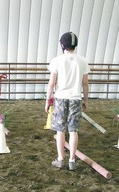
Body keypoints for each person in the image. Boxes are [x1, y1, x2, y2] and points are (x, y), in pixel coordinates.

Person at [45, 32, 89, 171]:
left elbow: (52, 84)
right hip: (76, 99)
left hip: (60, 99)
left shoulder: (57, 60)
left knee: (60, 130)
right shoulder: (82, 61)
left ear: (62, 45)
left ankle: (60, 159)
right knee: (73, 130)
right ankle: (72, 160)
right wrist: (86, 100)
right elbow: (85, 84)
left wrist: (47, 100)